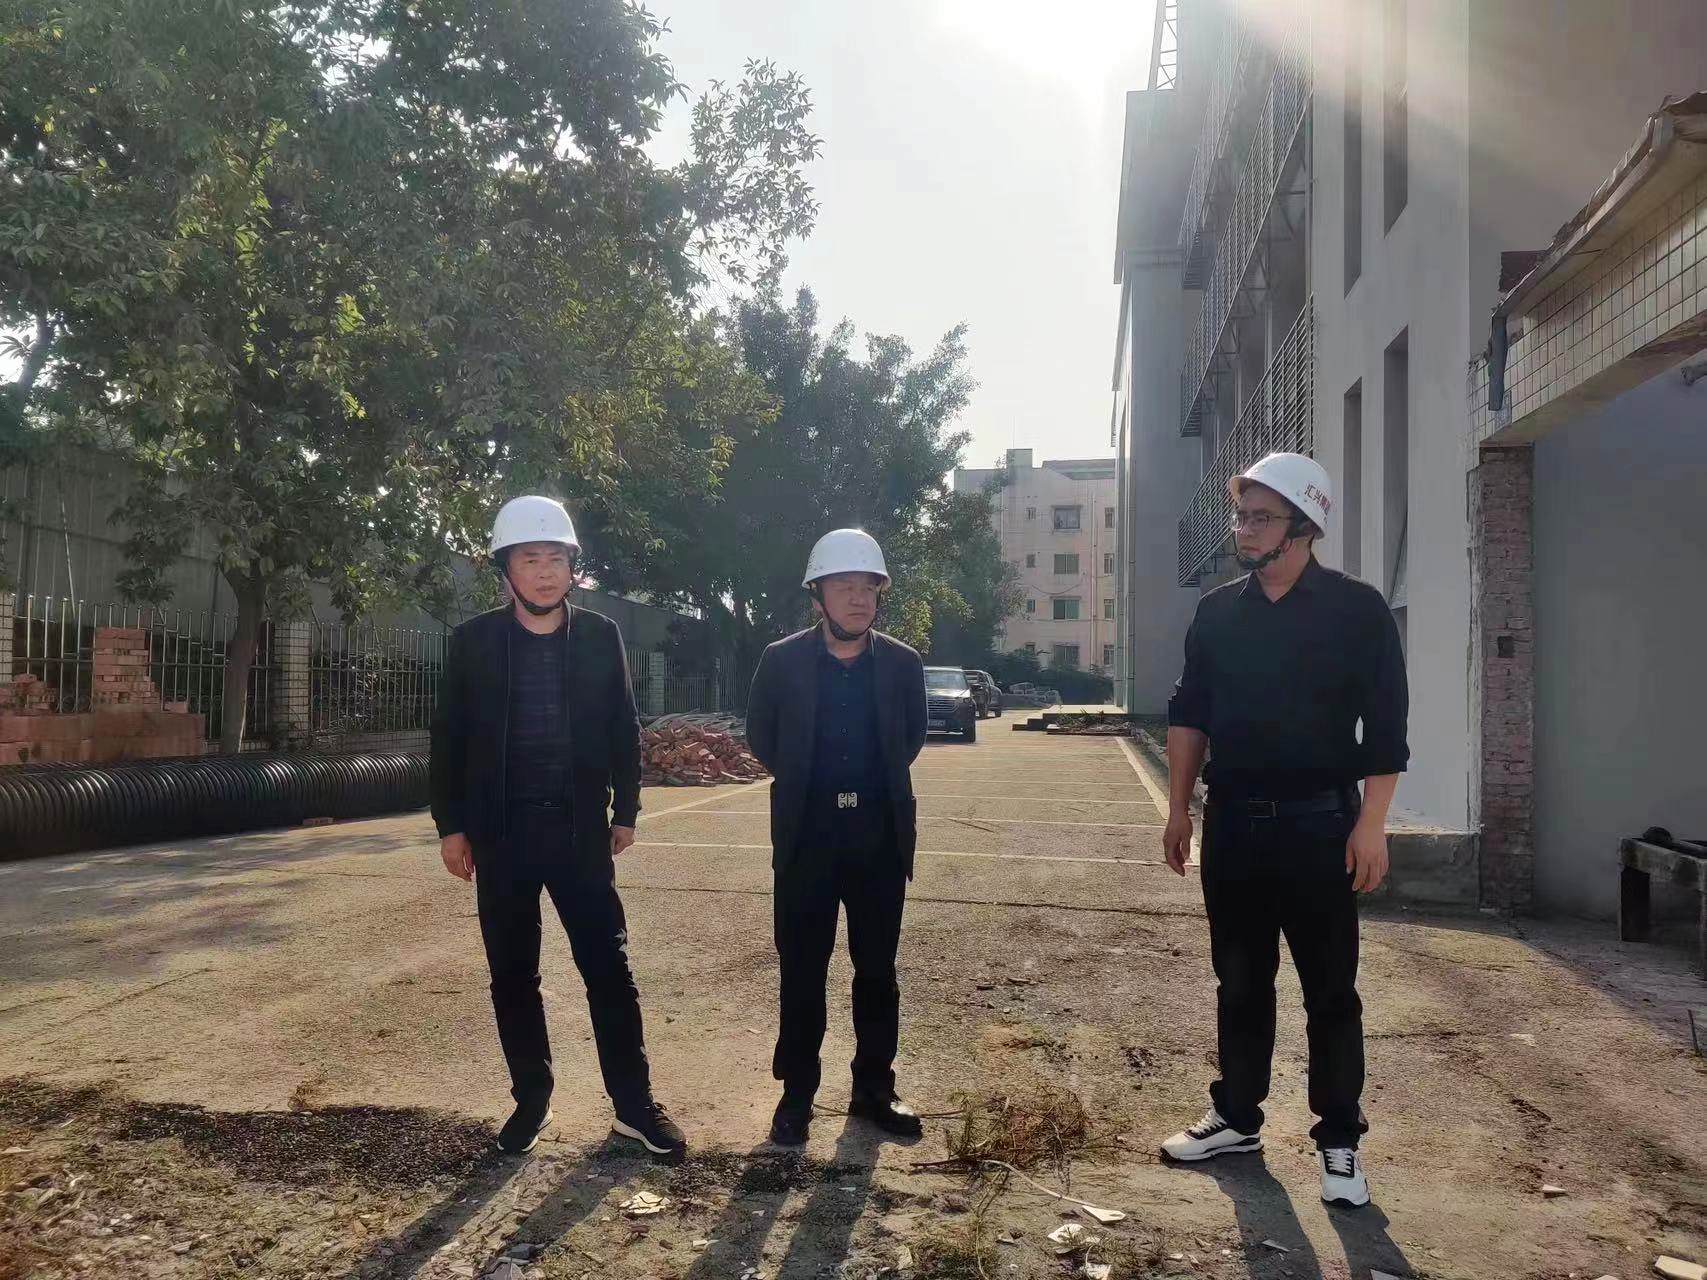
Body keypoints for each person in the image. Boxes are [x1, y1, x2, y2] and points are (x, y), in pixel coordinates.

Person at [1157, 453, 1408, 1209]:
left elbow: (1386, 729)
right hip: (1234, 826)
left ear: (1303, 526)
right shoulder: (1217, 613)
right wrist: (1177, 808)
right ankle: (1236, 1117)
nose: (1243, 529)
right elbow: (1189, 714)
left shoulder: (1356, 611)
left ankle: (1339, 1140)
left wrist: (1371, 826)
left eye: (1260, 517)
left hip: (1320, 830)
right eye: (1241, 515)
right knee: (1239, 982)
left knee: (1330, 991)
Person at [429, 495, 685, 1161]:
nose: (544, 572)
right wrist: (451, 826)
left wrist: (626, 810)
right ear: (506, 569)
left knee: (608, 968)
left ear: (573, 566)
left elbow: (623, 726)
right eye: (529, 559)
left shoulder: (600, 636)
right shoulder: (474, 642)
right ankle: (531, 1100)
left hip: (578, 834)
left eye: (556, 559)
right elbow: (448, 738)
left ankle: (634, 1106)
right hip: (501, 836)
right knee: (513, 974)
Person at [745, 529, 928, 1147]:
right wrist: (811, 782)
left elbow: (909, 740)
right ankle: (797, 1093)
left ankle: (874, 1087)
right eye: (844, 586)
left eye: (869, 587)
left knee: (877, 970)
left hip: (879, 838)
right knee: (802, 970)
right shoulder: (782, 661)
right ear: (817, 594)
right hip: (808, 838)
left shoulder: (902, 664)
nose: (858, 598)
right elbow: (763, 737)